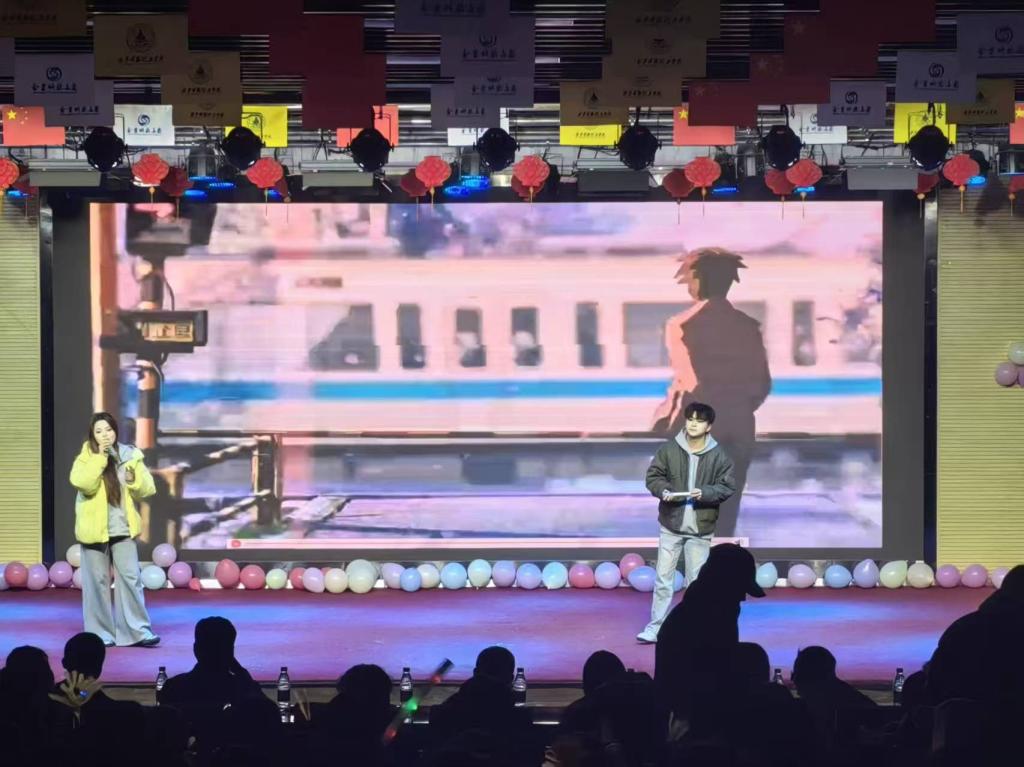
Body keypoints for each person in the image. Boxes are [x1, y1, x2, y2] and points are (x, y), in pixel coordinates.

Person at [651, 248, 772, 537]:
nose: (688, 286)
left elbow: (689, 384)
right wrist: (737, 408)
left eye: (689, 279)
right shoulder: (747, 326)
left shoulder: (682, 326)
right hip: (739, 429)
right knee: (726, 515)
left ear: (699, 281)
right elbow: (761, 383)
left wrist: (662, 418)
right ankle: (721, 560)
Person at [638, 401, 736, 643]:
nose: (693, 424)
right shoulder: (670, 449)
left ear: (708, 426)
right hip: (671, 524)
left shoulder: (719, 455)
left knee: (696, 583)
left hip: (700, 528)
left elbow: (727, 486)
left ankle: (694, 629)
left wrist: (705, 492)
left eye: (699, 421)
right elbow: (653, 476)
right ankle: (656, 628)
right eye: (690, 419)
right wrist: (663, 490)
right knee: (663, 579)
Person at [69, 412, 159, 648]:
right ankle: (100, 634)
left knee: (131, 579)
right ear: (93, 435)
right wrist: (100, 458)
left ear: (115, 431)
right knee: (96, 584)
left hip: (122, 527)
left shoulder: (130, 455)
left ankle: (137, 632)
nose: (105, 435)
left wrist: (133, 479)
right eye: (99, 431)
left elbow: (148, 489)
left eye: (108, 430)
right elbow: (84, 484)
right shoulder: (86, 456)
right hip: (94, 531)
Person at [653, 543, 765, 724]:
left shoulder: (697, 609)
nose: (742, 598)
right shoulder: (711, 618)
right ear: (725, 583)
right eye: (740, 588)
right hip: (694, 718)